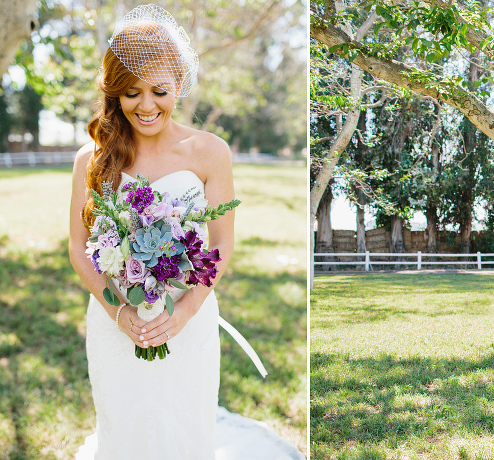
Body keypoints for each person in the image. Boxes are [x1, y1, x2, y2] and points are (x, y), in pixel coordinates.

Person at [69, 5, 301, 458]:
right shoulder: (91, 159)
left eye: (159, 90)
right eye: (131, 92)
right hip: (115, 323)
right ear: (114, 92)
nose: (147, 105)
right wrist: (121, 314)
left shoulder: (210, 152)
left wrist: (186, 311)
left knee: (185, 429)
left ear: (179, 83)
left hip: (187, 323)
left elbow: (221, 244)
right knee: (123, 428)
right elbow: (80, 250)